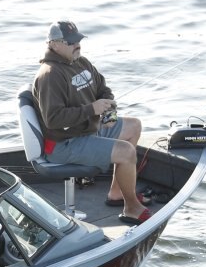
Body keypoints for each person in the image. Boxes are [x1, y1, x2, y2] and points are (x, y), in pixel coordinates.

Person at [30, 20, 150, 223]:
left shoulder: (81, 62)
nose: (77, 45)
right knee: (126, 152)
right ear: (54, 44)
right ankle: (131, 208)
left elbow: (104, 90)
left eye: (78, 40)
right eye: (71, 42)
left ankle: (117, 193)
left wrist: (109, 113)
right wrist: (92, 109)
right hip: (64, 143)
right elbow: (53, 119)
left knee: (133, 126)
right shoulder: (50, 75)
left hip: (87, 129)